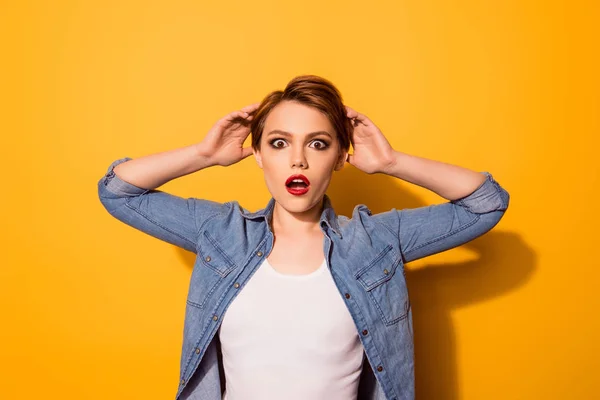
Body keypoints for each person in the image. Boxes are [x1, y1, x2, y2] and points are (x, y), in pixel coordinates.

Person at [97, 75, 510, 400]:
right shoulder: (222, 234)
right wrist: (204, 155)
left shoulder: (375, 240)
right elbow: (117, 191)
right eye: (279, 143)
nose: (298, 159)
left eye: (318, 143)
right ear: (257, 153)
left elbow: (486, 203)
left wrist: (391, 161)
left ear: (339, 156)